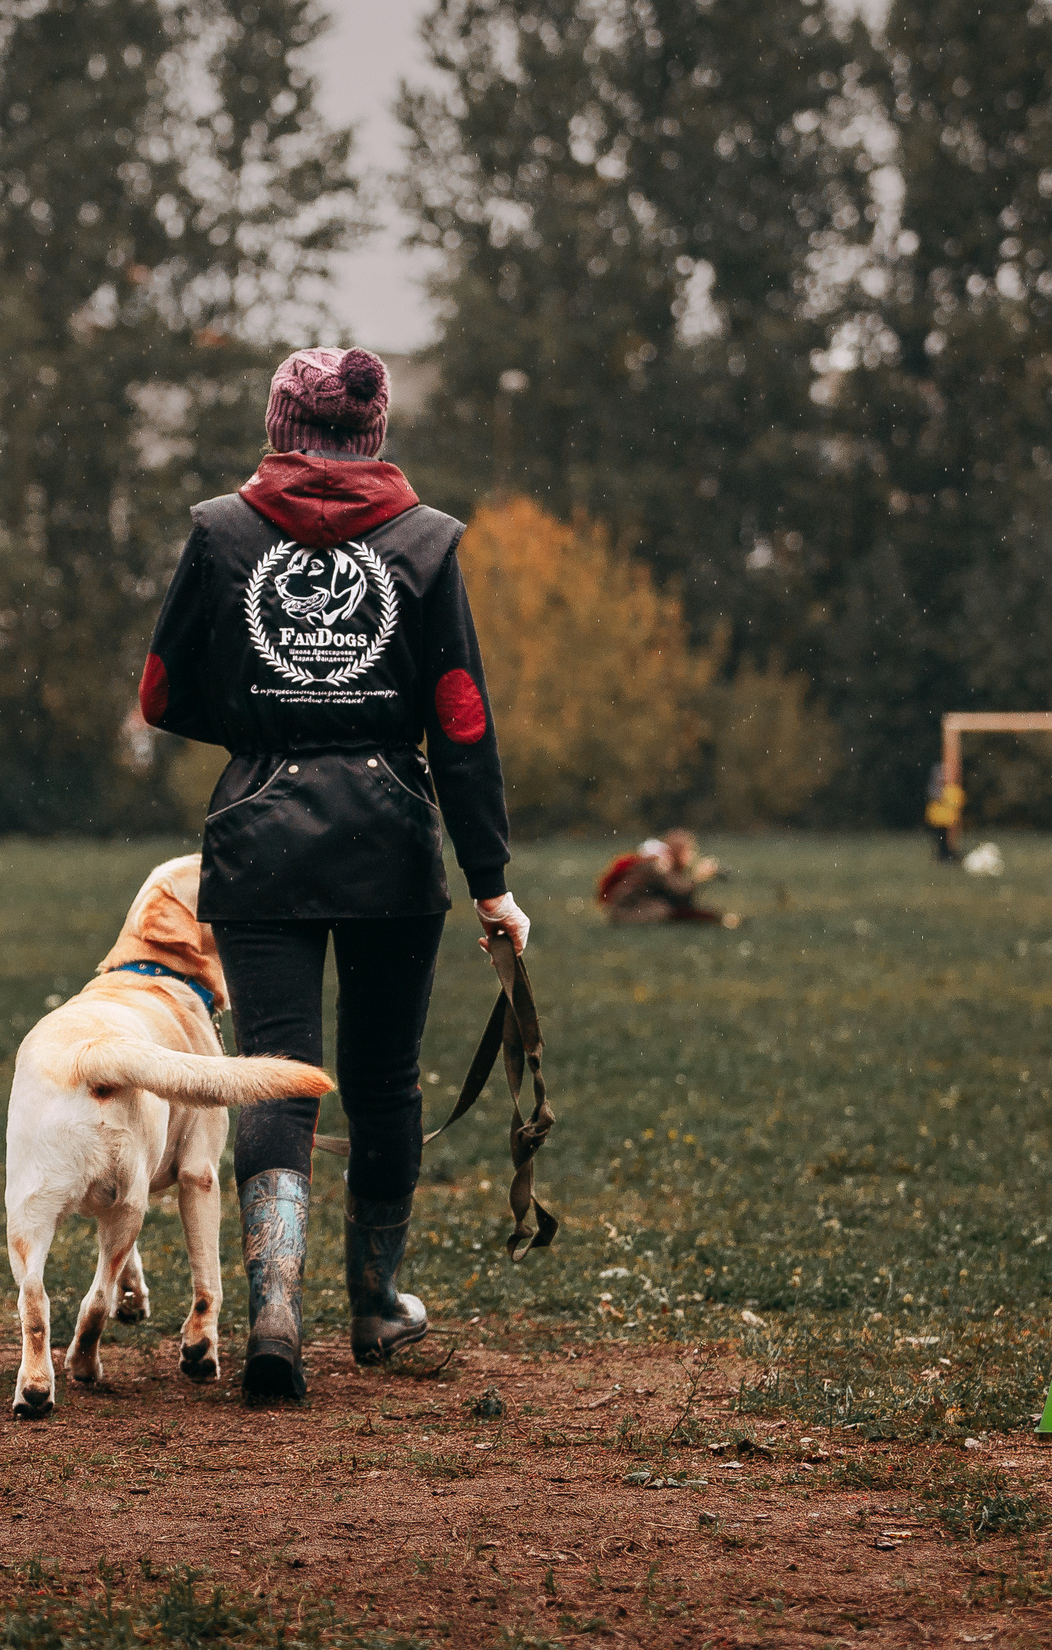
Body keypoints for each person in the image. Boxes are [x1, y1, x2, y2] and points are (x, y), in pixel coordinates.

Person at [139, 345, 527, 1402]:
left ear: (280, 428)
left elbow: (162, 694)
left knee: (275, 1070)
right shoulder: (427, 541)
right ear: (374, 432)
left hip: (259, 831)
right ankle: (374, 1305)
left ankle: (271, 1315)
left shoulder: (220, 534)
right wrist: (490, 878)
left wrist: (269, 723)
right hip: (392, 837)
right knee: (384, 1076)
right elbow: (459, 721)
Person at [597, 829, 739, 926]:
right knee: (666, 911)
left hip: (626, 912)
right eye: (690, 851)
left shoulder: (662, 864)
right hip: (627, 914)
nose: (692, 856)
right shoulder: (660, 866)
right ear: (679, 852)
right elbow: (678, 892)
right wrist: (698, 878)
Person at [924, 762, 963, 863]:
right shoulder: (936, 789)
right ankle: (945, 856)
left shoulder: (947, 789)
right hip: (939, 820)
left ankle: (948, 856)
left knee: (945, 840)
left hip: (947, 820)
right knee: (942, 841)